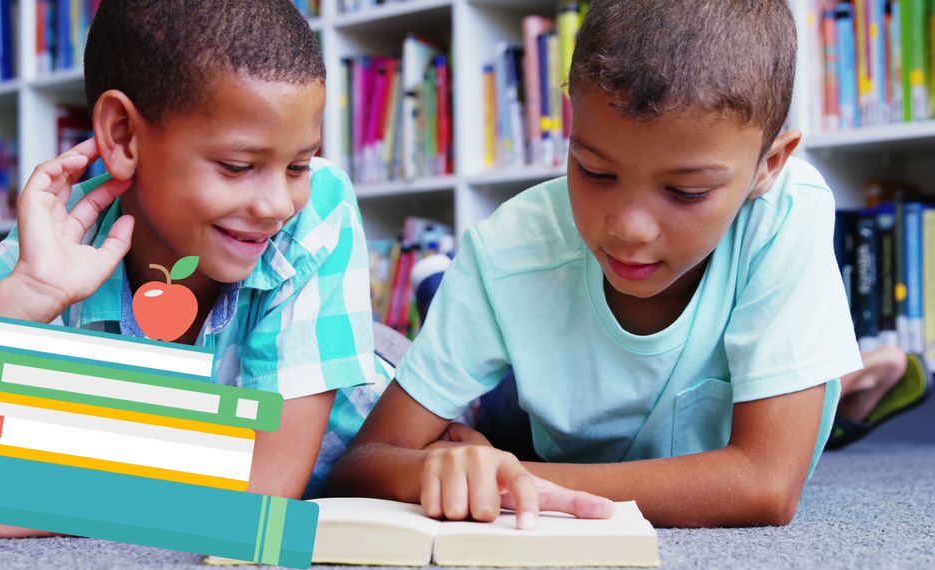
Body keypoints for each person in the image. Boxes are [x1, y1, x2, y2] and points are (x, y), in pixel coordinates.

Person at [0, 0, 379, 545]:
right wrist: (28, 295)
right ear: (123, 136)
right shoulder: (43, 257)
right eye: (237, 167)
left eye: (298, 165)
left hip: (370, 408)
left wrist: (28, 493)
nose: (276, 203)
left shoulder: (316, 208)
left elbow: (262, 494)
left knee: (439, 429)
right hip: (233, 409)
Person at [328, 0, 864, 529]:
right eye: (594, 171)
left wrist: (514, 478)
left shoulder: (786, 210)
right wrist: (436, 469)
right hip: (529, 395)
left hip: (537, 434)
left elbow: (765, 487)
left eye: (686, 191)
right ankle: (440, 287)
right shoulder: (506, 251)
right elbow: (363, 463)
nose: (629, 228)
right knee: (490, 411)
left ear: (768, 165)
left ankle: (436, 287)